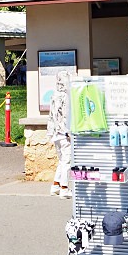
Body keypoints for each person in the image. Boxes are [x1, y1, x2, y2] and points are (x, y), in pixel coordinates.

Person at [46, 71, 72, 199]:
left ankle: (56, 185)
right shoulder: (66, 96)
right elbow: (66, 116)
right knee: (67, 161)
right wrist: (68, 131)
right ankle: (64, 188)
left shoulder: (54, 95)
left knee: (62, 161)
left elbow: (51, 116)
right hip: (64, 133)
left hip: (55, 133)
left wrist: (50, 132)